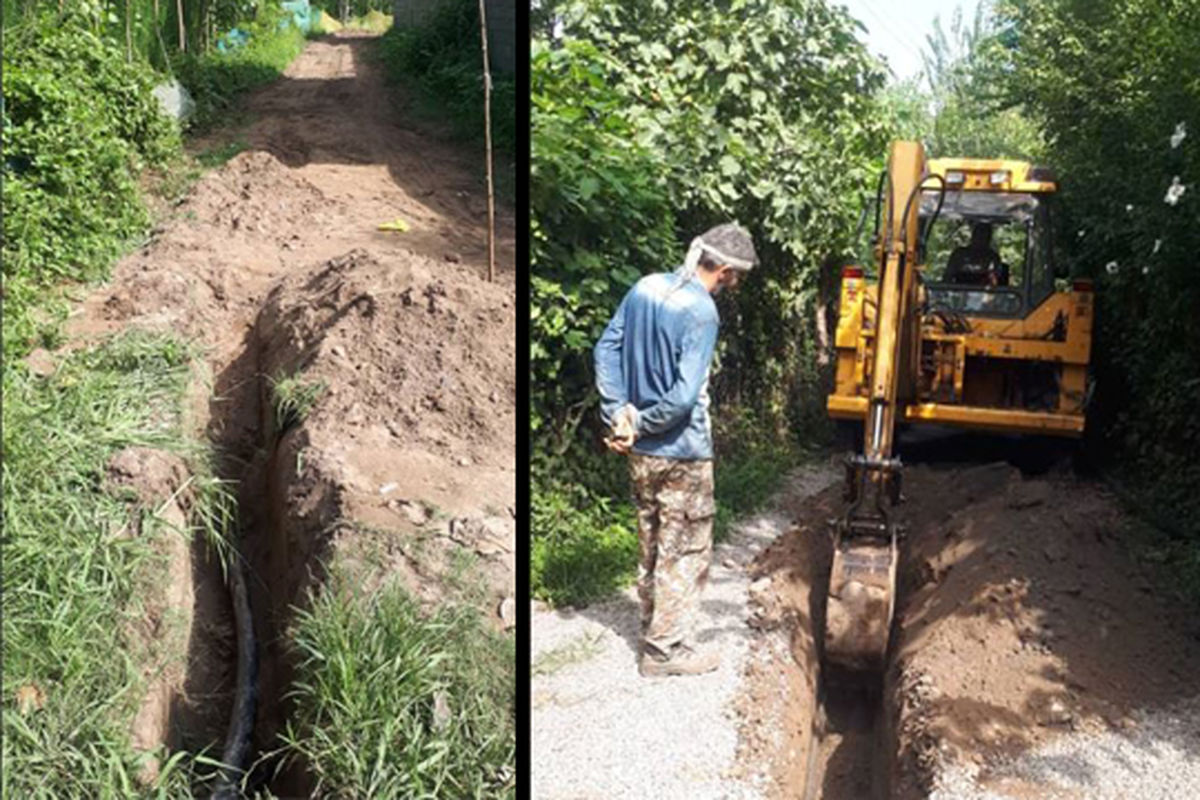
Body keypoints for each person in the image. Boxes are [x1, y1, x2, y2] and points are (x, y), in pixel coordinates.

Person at [593, 222, 758, 677]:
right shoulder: (702, 312)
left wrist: (620, 415)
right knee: (683, 550)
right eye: (736, 277)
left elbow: (606, 349)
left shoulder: (645, 287)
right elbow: (684, 398)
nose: (734, 285)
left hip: (641, 452)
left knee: (651, 540)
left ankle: (653, 627)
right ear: (725, 271)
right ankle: (665, 651)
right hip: (682, 451)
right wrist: (641, 422)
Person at [945, 222, 1008, 286]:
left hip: (985, 291)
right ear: (973, 236)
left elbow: (999, 283)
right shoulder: (960, 254)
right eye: (979, 235)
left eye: (985, 237)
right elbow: (947, 278)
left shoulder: (993, 257)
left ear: (989, 239)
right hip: (961, 290)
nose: (981, 240)